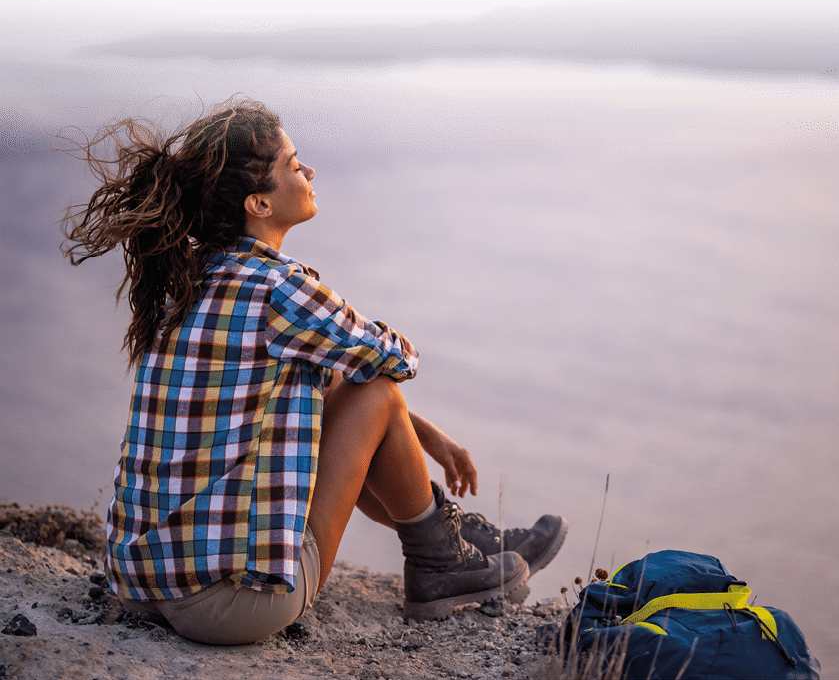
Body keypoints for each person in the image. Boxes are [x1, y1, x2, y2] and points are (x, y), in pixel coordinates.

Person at [62, 97, 567, 645]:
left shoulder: (189, 284)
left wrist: (431, 437)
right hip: (232, 605)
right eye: (293, 164)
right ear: (259, 201)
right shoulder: (276, 288)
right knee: (374, 390)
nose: (308, 172)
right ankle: (440, 558)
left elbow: (331, 377)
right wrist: (418, 422)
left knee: (331, 381)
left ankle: (449, 541)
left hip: (139, 583)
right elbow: (395, 361)